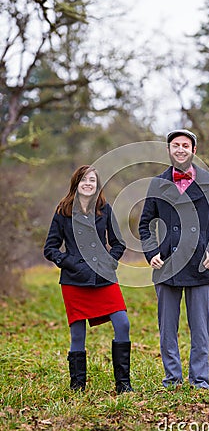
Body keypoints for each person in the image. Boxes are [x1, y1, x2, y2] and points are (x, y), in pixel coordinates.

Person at [139, 129, 209, 389]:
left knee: (200, 330)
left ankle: (200, 380)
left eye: (185, 145)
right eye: (175, 145)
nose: (180, 149)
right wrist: (151, 252)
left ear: (194, 151)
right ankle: (172, 379)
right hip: (166, 265)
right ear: (169, 150)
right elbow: (145, 223)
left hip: (201, 265)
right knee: (168, 329)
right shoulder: (157, 183)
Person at [44, 165, 133, 394]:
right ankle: (77, 386)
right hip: (74, 281)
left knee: (122, 323)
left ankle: (123, 385)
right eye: (84, 180)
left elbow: (118, 243)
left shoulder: (104, 209)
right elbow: (50, 248)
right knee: (77, 334)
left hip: (104, 278)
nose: (88, 184)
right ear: (76, 183)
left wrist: (108, 262)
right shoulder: (63, 211)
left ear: (97, 185)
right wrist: (70, 262)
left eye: (92, 180)